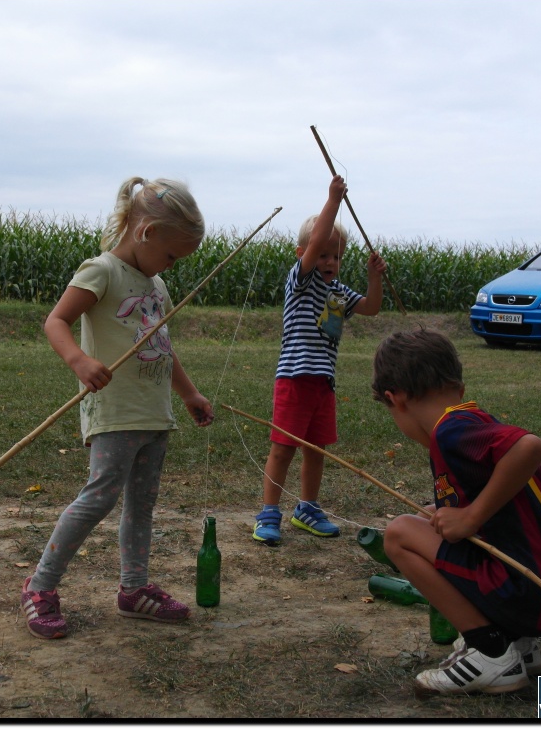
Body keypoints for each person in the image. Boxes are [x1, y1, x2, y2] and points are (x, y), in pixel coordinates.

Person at [20, 177, 215, 640]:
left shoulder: (157, 286)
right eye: (171, 255)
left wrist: (188, 393)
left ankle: (133, 590)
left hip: (153, 413)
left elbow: (162, 347)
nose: (171, 265)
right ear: (146, 232)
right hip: (116, 413)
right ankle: (39, 587)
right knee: (99, 498)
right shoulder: (101, 271)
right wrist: (80, 361)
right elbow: (56, 321)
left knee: (141, 505)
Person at [371, 328, 541, 696]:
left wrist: (470, 518)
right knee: (422, 525)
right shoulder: (477, 422)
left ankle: (491, 651)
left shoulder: (450, 431)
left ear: (396, 398)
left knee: (400, 535)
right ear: (459, 388)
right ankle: (519, 647)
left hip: (528, 591)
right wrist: (460, 511)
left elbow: (531, 448)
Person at [252, 175, 387, 545]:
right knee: (283, 448)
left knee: (316, 450)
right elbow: (317, 240)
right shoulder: (302, 280)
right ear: (305, 255)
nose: (330, 261)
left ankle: (307, 509)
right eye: (324, 254)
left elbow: (372, 308)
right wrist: (333, 201)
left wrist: (374, 277)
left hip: (322, 383)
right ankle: (268, 512)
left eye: (337, 256)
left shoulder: (339, 292)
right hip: (294, 379)